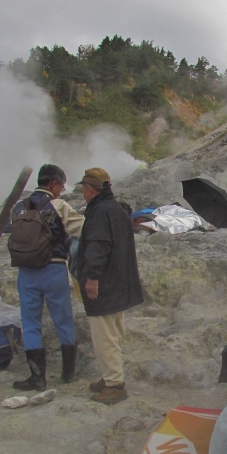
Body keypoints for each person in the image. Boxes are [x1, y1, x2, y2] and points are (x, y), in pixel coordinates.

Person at [74, 168, 143, 405]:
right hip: (119, 282)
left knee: (105, 336)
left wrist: (91, 278)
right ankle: (109, 375)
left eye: (83, 189)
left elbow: (98, 246)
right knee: (114, 331)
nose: (82, 193)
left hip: (104, 283)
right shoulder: (116, 209)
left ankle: (114, 385)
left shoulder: (99, 212)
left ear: (90, 189)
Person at [12, 164, 84, 391]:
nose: (61, 190)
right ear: (53, 183)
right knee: (63, 320)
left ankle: (37, 378)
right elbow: (83, 229)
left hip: (26, 271)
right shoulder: (59, 205)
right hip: (53, 270)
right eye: (61, 186)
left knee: (30, 323)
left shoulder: (19, 208)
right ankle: (67, 374)